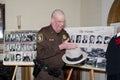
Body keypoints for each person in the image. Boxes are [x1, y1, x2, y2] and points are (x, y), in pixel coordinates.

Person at [34, 9, 78, 80]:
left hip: (59, 74)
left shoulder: (64, 34)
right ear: (52, 20)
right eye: (59, 21)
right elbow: (41, 54)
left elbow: (67, 53)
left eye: (63, 21)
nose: (62, 24)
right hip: (45, 75)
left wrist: (74, 51)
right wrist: (60, 47)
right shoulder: (43, 33)